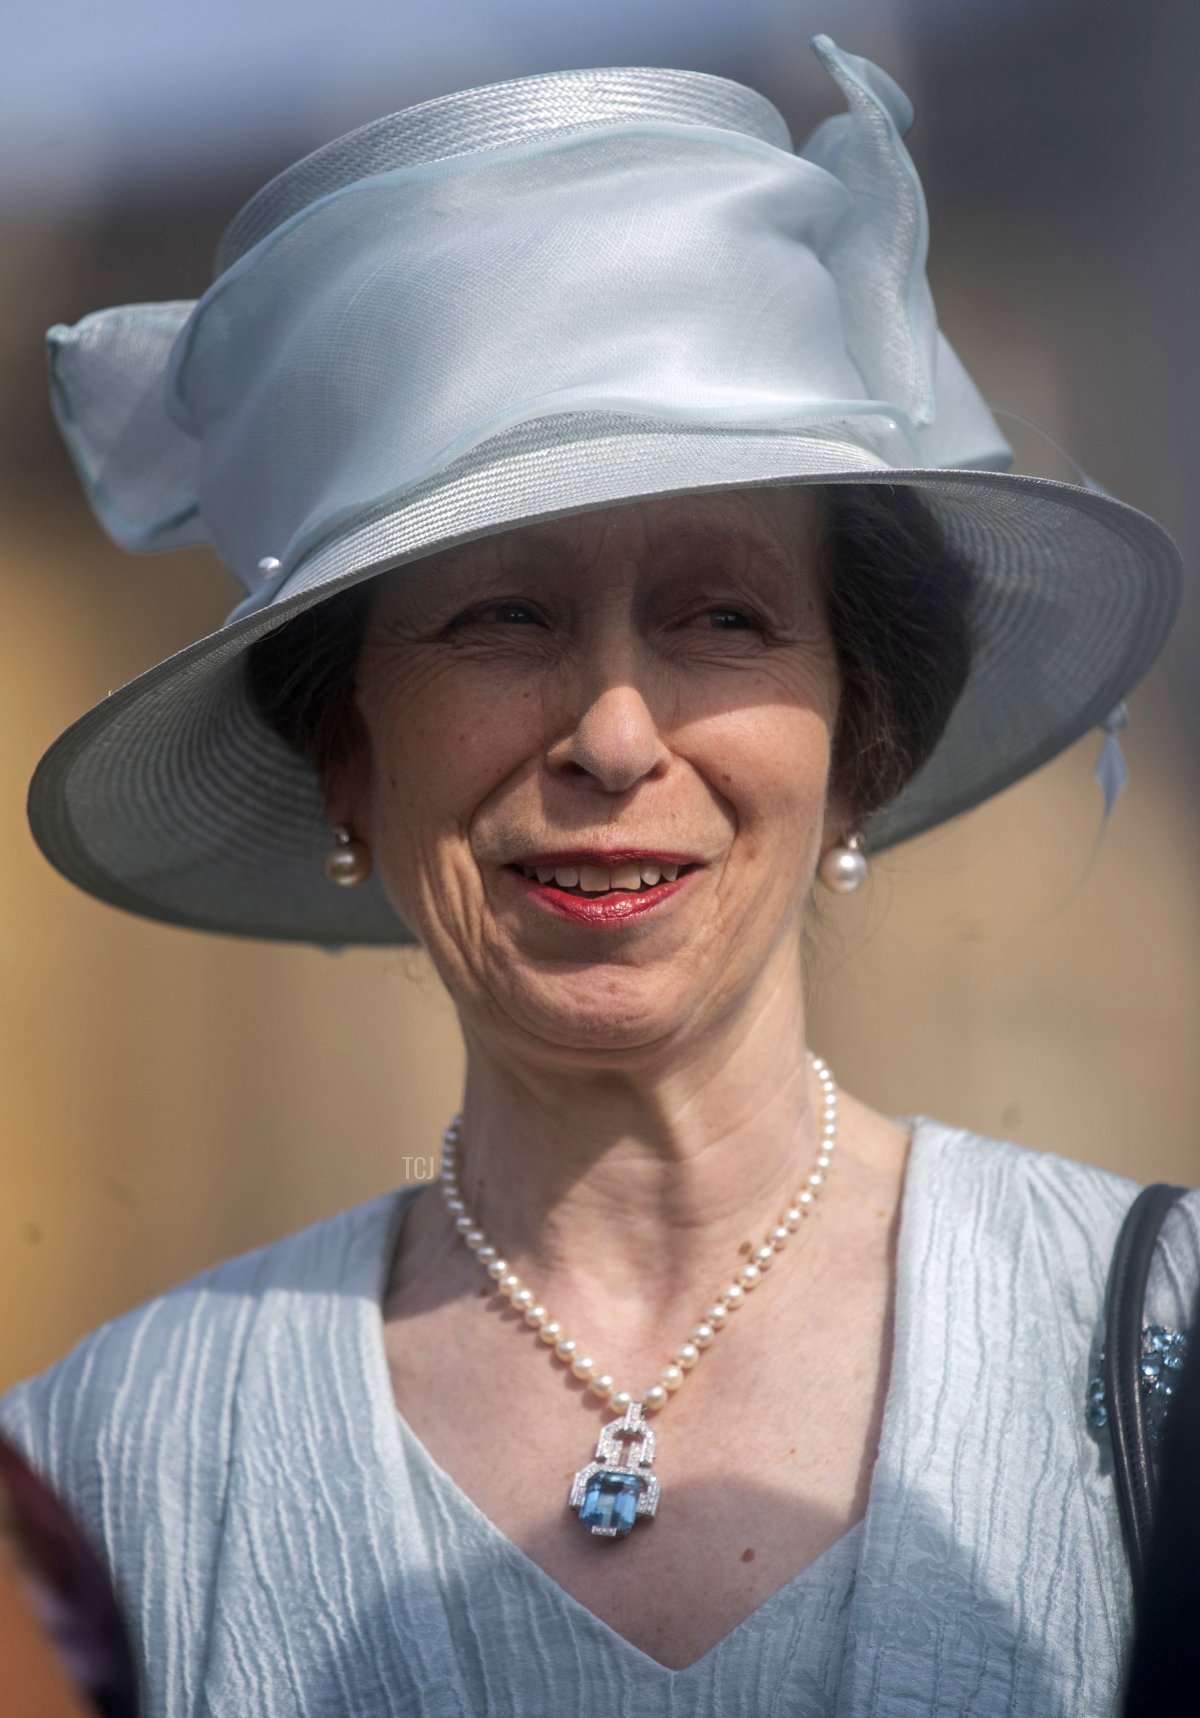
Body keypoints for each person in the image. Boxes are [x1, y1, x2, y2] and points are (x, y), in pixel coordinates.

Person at [1, 31, 1195, 1718]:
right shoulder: (102, 1482)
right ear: (348, 755)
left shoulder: (1159, 1355)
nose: (617, 734)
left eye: (723, 612)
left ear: (856, 735)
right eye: (502, 615)